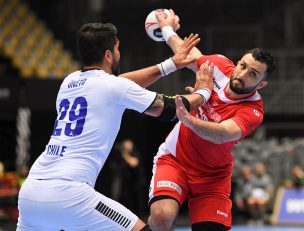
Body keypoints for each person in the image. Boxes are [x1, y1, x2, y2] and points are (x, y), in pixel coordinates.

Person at [17, 22, 214, 231]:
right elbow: (167, 109)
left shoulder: (68, 82)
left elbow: (118, 83)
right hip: (70, 193)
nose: (119, 54)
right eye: (117, 49)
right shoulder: (113, 87)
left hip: (30, 193)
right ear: (108, 55)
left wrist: (171, 64)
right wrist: (203, 93)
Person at [147, 10, 276, 231]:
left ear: (261, 84)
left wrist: (189, 120)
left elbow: (223, 133)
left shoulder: (253, 110)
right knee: (162, 217)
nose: (243, 75)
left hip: (213, 176)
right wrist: (167, 28)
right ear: (237, 63)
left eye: (253, 74)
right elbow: (188, 55)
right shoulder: (219, 66)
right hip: (175, 158)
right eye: (243, 66)